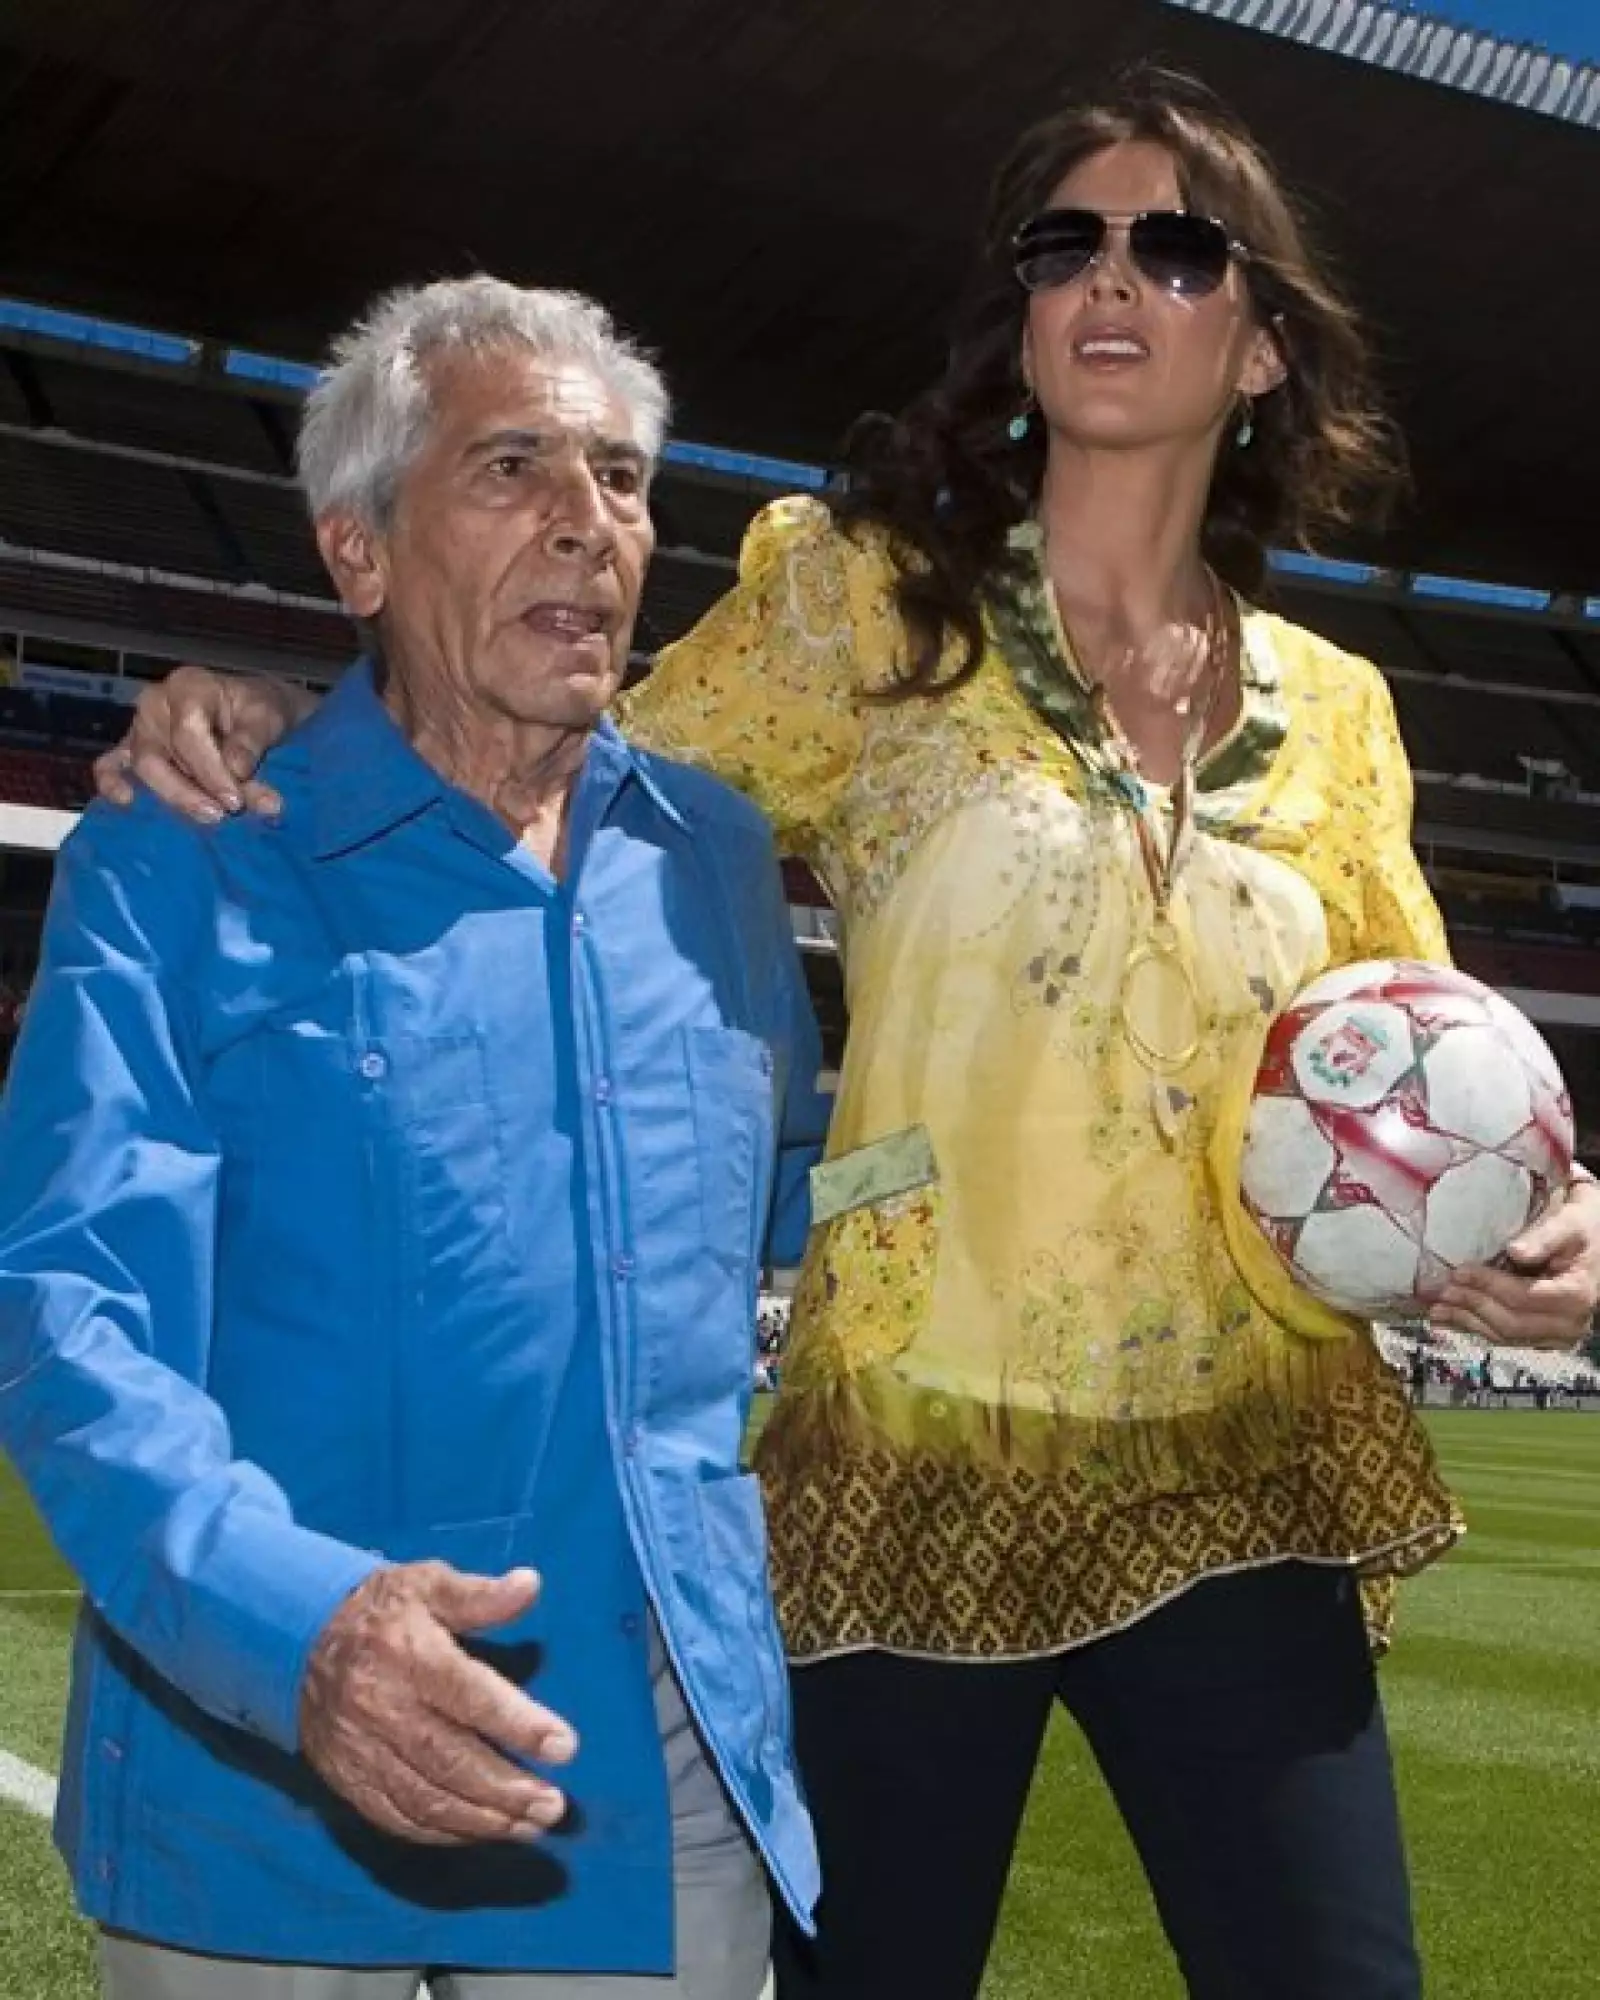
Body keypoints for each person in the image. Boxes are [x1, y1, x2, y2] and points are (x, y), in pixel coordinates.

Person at [94, 70, 1600, 2000]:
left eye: (1176, 243)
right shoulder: (868, 607)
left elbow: (1441, 1059)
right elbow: (546, 766)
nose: (1111, 275)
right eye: (1067, 243)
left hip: (1249, 1467)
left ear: (1264, 346)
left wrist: (1561, 1231)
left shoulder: (1347, 709)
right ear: (1026, 319)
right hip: (906, 1463)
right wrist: (270, 717)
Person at [2, 277, 826, 1999]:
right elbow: (71, 1317)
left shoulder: (721, 866)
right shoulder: (187, 853)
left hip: (651, 1772)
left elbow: (816, 1209)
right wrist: (294, 1626)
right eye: (513, 467)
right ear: (358, 553)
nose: (587, 525)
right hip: (259, 1773)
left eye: (616, 478)